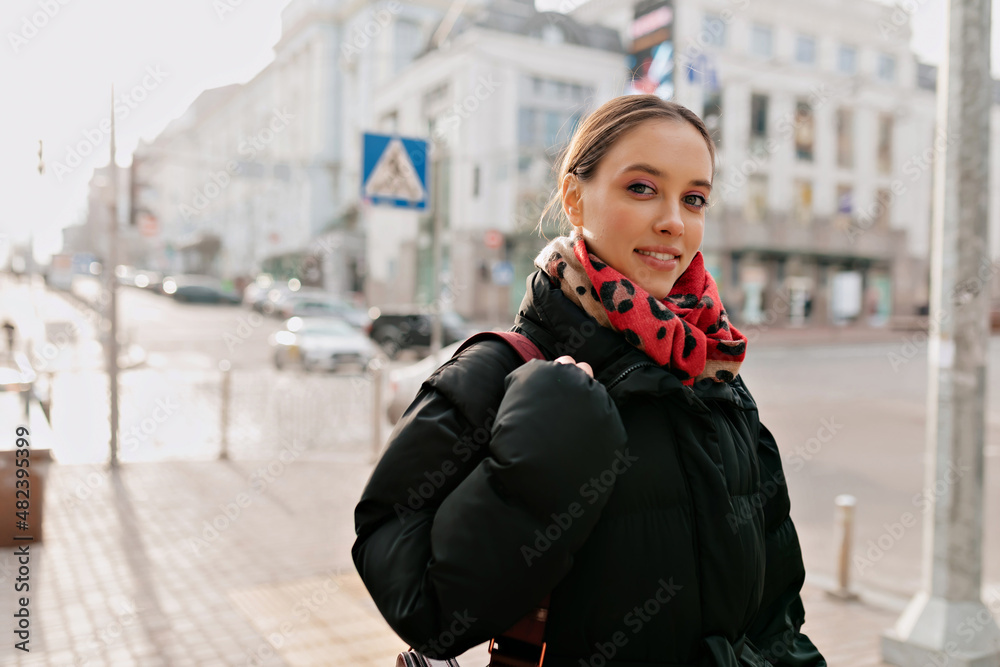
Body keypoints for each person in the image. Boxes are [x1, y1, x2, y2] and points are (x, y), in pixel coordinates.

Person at [352, 95, 826, 667]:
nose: (674, 220)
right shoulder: (503, 372)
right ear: (576, 199)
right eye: (642, 188)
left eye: (694, 198)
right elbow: (424, 607)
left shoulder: (715, 372)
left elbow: (776, 615)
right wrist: (547, 452)